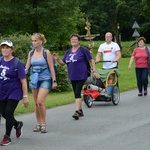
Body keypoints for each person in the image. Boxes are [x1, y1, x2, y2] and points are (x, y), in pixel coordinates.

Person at [53, 34, 99, 120]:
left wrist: (95, 71)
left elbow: (91, 60)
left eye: (75, 39)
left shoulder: (83, 50)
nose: (73, 41)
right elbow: (63, 63)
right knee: (76, 92)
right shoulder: (68, 52)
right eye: (72, 40)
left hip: (82, 74)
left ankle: (77, 111)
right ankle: (80, 110)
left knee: (77, 92)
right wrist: (57, 59)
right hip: (72, 75)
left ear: (78, 41)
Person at [25, 33, 57, 133]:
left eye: (35, 40)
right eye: (32, 41)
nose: (34, 42)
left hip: (45, 79)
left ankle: (43, 124)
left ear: (41, 41)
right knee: (36, 103)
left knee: (40, 101)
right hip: (34, 79)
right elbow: (27, 67)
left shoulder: (46, 52)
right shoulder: (31, 53)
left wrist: (54, 80)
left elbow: (51, 68)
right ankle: (38, 124)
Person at [0, 40, 29, 146]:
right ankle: (17, 124)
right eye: (3, 47)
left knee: (8, 112)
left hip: (14, 92)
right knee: (3, 113)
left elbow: (23, 81)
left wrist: (25, 96)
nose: (4, 49)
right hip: (2, 91)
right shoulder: (0, 61)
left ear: (12, 49)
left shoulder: (17, 63)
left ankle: (7, 137)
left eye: (7, 47)